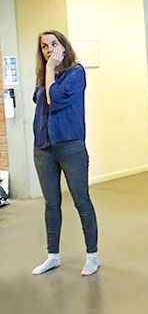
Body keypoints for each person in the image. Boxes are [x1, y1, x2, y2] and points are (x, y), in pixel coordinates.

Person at [31, 30, 99, 276]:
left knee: (81, 200)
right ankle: (53, 256)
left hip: (70, 146)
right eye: (44, 46)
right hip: (44, 147)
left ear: (64, 47)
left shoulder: (76, 73)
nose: (49, 49)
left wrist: (50, 69)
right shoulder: (44, 76)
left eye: (54, 44)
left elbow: (55, 100)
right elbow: (38, 100)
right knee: (51, 204)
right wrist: (48, 72)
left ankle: (92, 256)